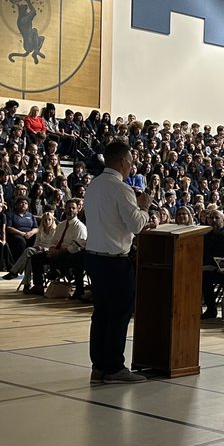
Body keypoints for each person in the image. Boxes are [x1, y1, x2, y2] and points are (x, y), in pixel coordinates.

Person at [84, 140, 155, 383]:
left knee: (101, 313)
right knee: (119, 314)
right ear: (124, 161)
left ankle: (99, 367)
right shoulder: (122, 189)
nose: (132, 165)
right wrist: (144, 207)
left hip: (94, 257)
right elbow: (135, 225)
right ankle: (114, 367)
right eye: (131, 161)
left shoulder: (92, 186)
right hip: (114, 261)